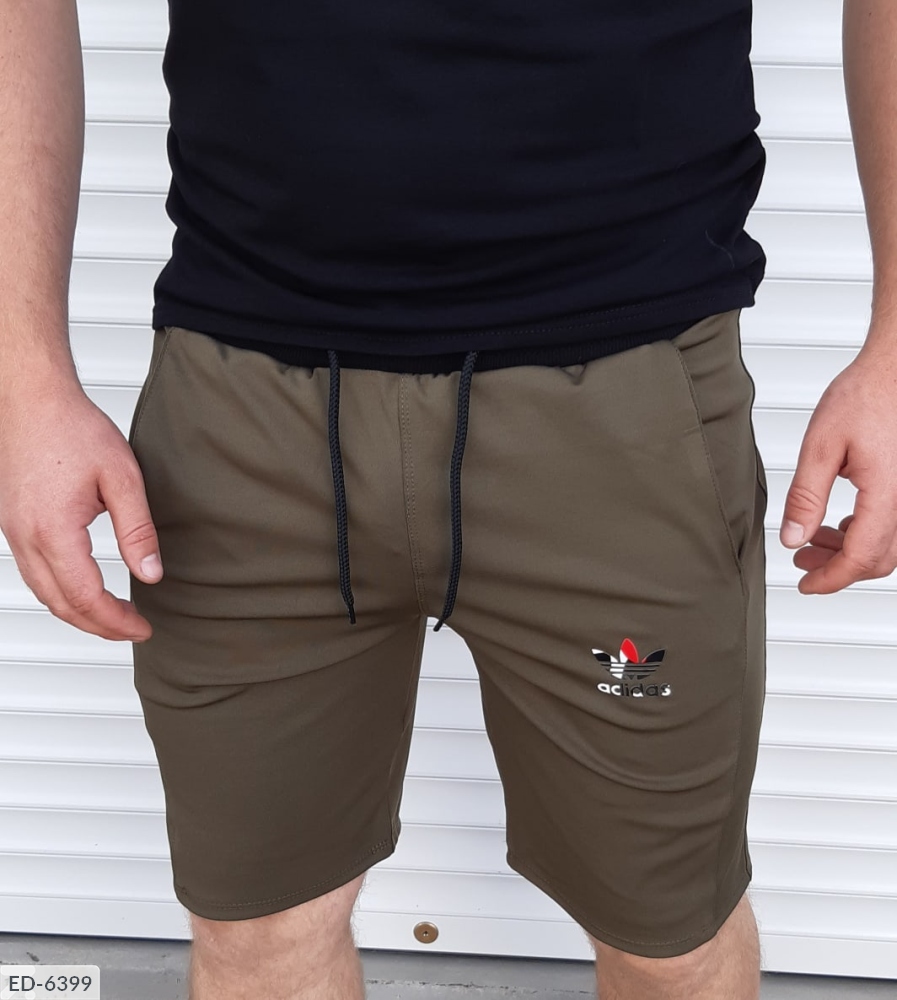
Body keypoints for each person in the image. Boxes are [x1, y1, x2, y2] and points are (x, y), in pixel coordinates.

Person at [2, 1, 896, 998]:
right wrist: (24, 376)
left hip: (618, 422)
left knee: (671, 944)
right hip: (244, 416)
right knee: (255, 931)